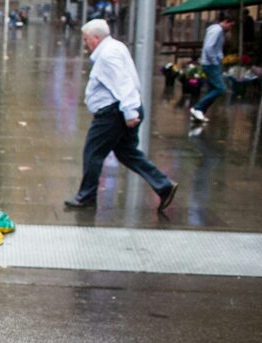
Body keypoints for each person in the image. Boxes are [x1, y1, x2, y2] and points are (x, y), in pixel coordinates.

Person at [64, 20, 178, 212]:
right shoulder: (115, 48)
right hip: (119, 110)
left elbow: (123, 83)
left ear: (96, 38)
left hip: (112, 113)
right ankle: (163, 185)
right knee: (127, 152)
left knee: (93, 152)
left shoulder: (108, 55)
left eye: (86, 39)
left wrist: (130, 112)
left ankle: (86, 197)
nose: (85, 43)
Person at [190, 12, 235, 123]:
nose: (231, 28)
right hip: (211, 64)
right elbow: (209, 48)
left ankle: (200, 112)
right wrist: (215, 61)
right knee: (220, 88)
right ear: (225, 22)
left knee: (212, 88)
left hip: (211, 62)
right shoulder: (217, 30)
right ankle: (198, 108)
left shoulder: (217, 30)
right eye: (231, 25)